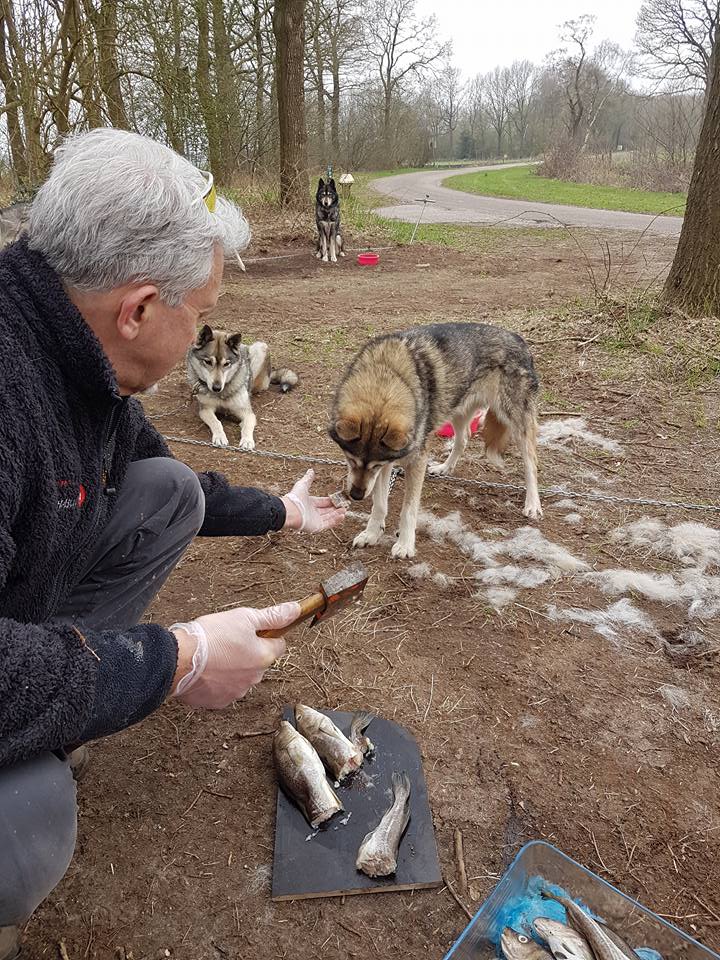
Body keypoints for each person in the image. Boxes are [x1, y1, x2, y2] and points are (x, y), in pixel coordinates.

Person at [0, 129, 346, 960]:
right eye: (205, 320)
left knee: (168, 492)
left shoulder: (70, 347)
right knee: (31, 822)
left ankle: (54, 708)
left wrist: (285, 514)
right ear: (141, 308)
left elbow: (158, 468)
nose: (205, 340)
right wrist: (178, 659)